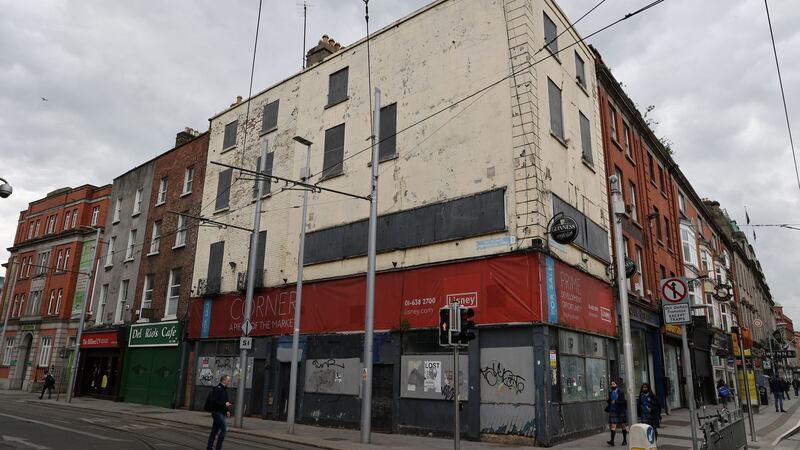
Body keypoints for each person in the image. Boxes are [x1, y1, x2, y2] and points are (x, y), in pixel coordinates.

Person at [206, 375, 232, 450]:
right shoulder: (218, 389)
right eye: (228, 381)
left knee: (214, 431)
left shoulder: (224, 390)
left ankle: (209, 447)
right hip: (217, 413)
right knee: (224, 429)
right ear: (223, 380)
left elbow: (225, 402)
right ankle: (218, 448)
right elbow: (214, 402)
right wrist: (224, 405)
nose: (229, 382)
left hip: (221, 412)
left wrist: (227, 410)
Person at [606, 380, 627, 446]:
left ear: (616, 385)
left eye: (614, 384)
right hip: (613, 410)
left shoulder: (621, 392)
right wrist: (608, 400)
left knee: (623, 426)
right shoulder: (610, 392)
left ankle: (624, 440)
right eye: (611, 384)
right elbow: (610, 401)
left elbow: (623, 401)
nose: (612, 385)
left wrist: (616, 402)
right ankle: (612, 441)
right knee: (613, 425)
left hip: (620, 410)